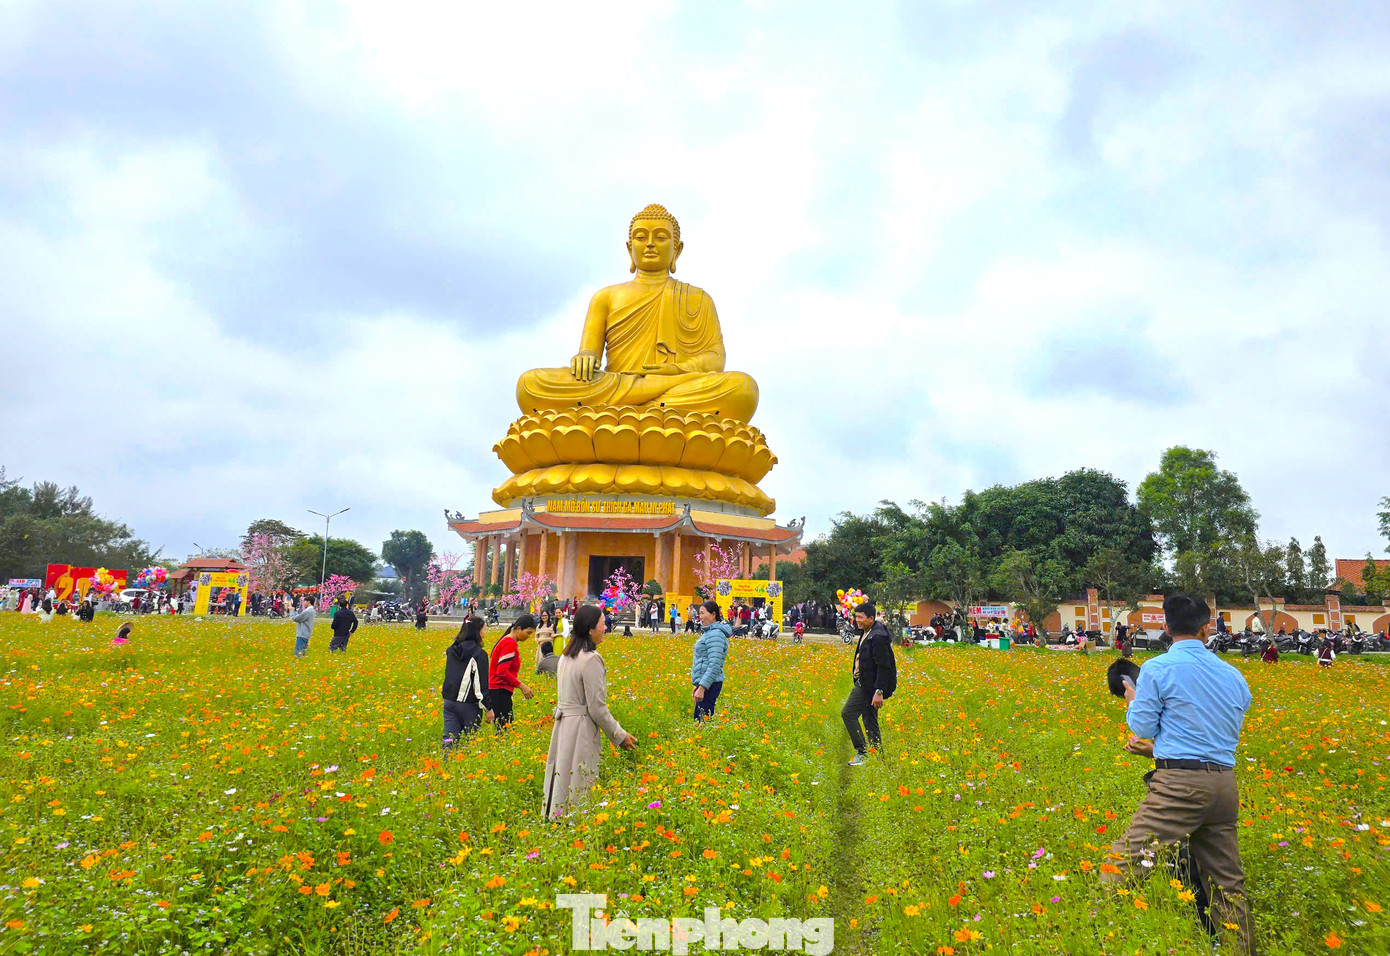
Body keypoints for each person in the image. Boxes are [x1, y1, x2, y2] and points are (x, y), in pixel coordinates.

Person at [1105, 594, 1253, 955]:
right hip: (1224, 785)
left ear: (1166, 628)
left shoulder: (1158, 668)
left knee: (1119, 868)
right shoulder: (1234, 676)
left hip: (1179, 786)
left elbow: (1142, 725)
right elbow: (1214, 731)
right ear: (1207, 629)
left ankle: (1098, 931)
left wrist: (1132, 698)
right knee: (1226, 885)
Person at [541, 605, 637, 818]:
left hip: (563, 723)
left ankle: (555, 819)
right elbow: (597, 707)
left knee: (562, 774)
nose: (606, 627)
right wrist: (619, 736)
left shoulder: (566, 656)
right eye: (603, 623)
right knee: (579, 778)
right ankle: (576, 824)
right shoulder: (591, 658)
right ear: (591, 629)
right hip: (580, 727)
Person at [842, 602, 897, 766]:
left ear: (871, 618)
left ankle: (862, 751)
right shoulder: (868, 631)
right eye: (855, 616)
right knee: (869, 720)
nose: (857, 620)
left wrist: (879, 691)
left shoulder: (878, 636)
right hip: (866, 682)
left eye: (860, 617)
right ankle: (877, 758)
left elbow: (884, 666)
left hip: (869, 685)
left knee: (848, 714)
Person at [441, 617, 493, 745]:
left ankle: (447, 763)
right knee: (471, 742)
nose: (484, 633)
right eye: (483, 630)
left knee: (449, 740)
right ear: (477, 632)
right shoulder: (479, 654)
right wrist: (488, 708)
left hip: (449, 701)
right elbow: (480, 684)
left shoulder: (451, 650)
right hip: (469, 704)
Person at [489, 613, 537, 730]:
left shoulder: (508, 641)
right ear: (518, 629)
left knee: (503, 726)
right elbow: (502, 672)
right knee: (504, 727)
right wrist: (521, 686)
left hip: (499, 690)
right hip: (499, 690)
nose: (529, 636)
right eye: (528, 632)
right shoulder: (509, 643)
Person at [691, 600, 731, 721]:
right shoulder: (709, 633)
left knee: (702, 721)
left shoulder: (716, 635)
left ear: (713, 614)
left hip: (710, 685)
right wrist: (698, 684)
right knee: (700, 720)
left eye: (703, 613)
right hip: (706, 683)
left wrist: (702, 687)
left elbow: (715, 664)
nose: (700, 617)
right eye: (699, 613)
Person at [536, 611, 561, 677]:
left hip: (547, 646)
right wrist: (538, 641)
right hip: (540, 647)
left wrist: (542, 640)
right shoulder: (538, 626)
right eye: (543, 616)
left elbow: (551, 638)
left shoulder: (551, 626)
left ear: (548, 616)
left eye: (546, 615)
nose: (544, 617)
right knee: (539, 662)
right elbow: (536, 637)